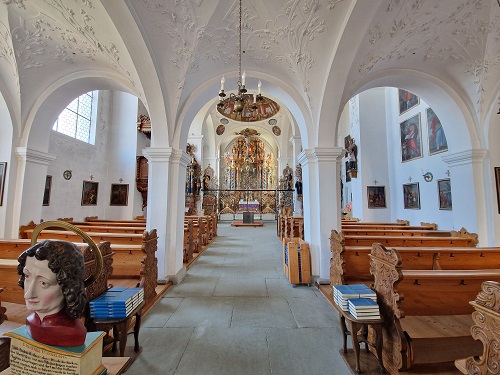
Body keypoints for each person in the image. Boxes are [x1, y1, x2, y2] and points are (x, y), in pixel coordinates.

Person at [18, 240, 87, 347]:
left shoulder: (70, 331)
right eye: (27, 276)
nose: (28, 294)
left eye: (43, 283)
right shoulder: (31, 321)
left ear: (68, 286)